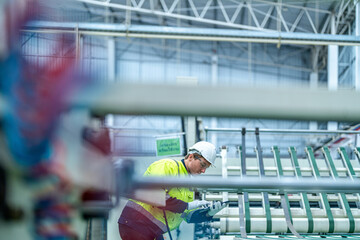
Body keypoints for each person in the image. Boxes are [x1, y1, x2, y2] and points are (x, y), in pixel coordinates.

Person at [118, 141, 227, 240]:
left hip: (153, 231)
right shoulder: (168, 166)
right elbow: (154, 195)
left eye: (206, 167)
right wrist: (186, 206)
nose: (203, 170)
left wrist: (208, 214)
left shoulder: (188, 187)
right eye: (203, 165)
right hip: (137, 224)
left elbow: (188, 217)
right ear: (191, 156)